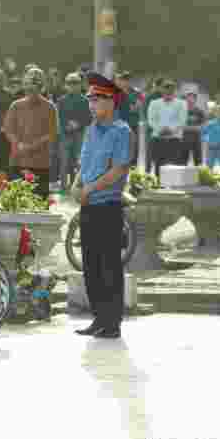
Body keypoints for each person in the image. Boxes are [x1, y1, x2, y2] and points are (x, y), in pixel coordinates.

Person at [73, 73, 132, 340]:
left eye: (96, 99)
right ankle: (98, 317)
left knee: (109, 265)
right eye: (90, 100)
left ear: (111, 101)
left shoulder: (122, 131)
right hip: (87, 205)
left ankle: (111, 321)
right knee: (90, 264)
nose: (91, 104)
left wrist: (89, 189)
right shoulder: (90, 130)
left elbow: (119, 169)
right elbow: (83, 165)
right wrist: (76, 185)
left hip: (107, 205)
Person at [2, 68, 58, 198]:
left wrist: (31, 146)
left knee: (39, 205)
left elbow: (52, 133)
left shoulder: (50, 108)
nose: (32, 92)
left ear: (41, 88)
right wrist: (18, 144)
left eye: (36, 88)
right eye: (29, 88)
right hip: (18, 162)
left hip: (40, 164)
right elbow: (8, 129)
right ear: (25, 87)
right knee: (17, 203)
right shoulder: (16, 106)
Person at [146, 79, 187, 178]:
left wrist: (171, 130)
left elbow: (182, 120)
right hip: (158, 137)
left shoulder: (181, 103)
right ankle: (159, 186)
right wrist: (160, 129)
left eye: (171, 90)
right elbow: (151, 119)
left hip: (175, 138)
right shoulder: (154, 103)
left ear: (174, 91)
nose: (168, 92)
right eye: (166, 90)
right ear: (162, 91)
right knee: (158, 164)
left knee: (175, 164)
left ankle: (173, 187)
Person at [58, 73, 92, 190]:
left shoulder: (85, 100)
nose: (72, 86)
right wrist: (66, 125)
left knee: (77, 161)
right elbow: (59, 117)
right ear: (66, 85)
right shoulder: (61, 100)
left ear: (80, 85)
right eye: (70, 83)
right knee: (64, 161)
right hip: (65, 134)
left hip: (79, 133)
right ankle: (63, 186)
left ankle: (75, 185)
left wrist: (78, 124)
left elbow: (88, 117)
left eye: (75, 83)